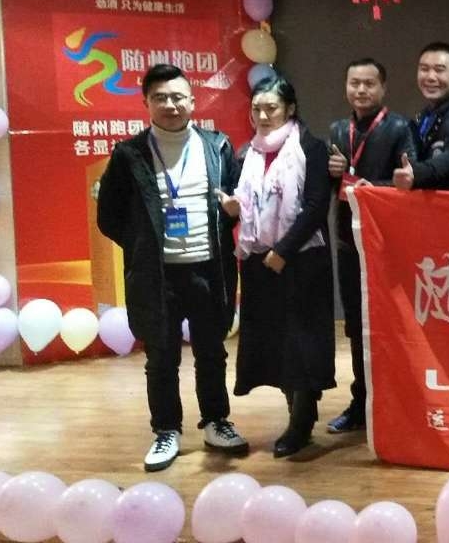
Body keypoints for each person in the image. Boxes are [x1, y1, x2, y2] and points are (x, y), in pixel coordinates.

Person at [97, 63, 249, 472]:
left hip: (209, 269)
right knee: (161, 358)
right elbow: (108, 216)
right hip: (157, 275)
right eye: (160, 97)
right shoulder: (129, 154)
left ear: (193, 101)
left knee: (212, 351)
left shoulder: (217, 146)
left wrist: (233, 213)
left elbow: (235, 201)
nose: (170, 105)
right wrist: (144, 248)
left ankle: (216, 422)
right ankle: (166, 431)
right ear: (146, 103)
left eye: (178, 97)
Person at [222, 76, 335, 458]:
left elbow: (316, 205)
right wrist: (233, 209)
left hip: (302, 259)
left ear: (290, 109)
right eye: (256, 108)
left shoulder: (310, 148)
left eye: (271, 108)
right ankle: (297, 412)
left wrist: (284, 250)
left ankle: (301, 423)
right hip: (259, 260)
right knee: (277, 342)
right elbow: (242, 201)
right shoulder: (247, 153)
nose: (263, 115)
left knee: (301, 342)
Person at [326, 58, 416, 434]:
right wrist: (331, 174)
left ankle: (398, 402)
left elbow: (409, 184)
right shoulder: (337, 129)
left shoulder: (399, 128)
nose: (361, 90)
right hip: (349, 242)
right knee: (355, 327)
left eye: (369, 83)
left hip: (386, 245)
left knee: (392, 326)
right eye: (354, 83)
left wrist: (373, 187)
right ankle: (361, 401)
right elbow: (330, 187)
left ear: (383, 88)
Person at [393, 41, 449, 191]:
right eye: (424, 69)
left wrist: (416, 174)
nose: (430, 77)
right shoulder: (424, 115)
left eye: (439, 70)